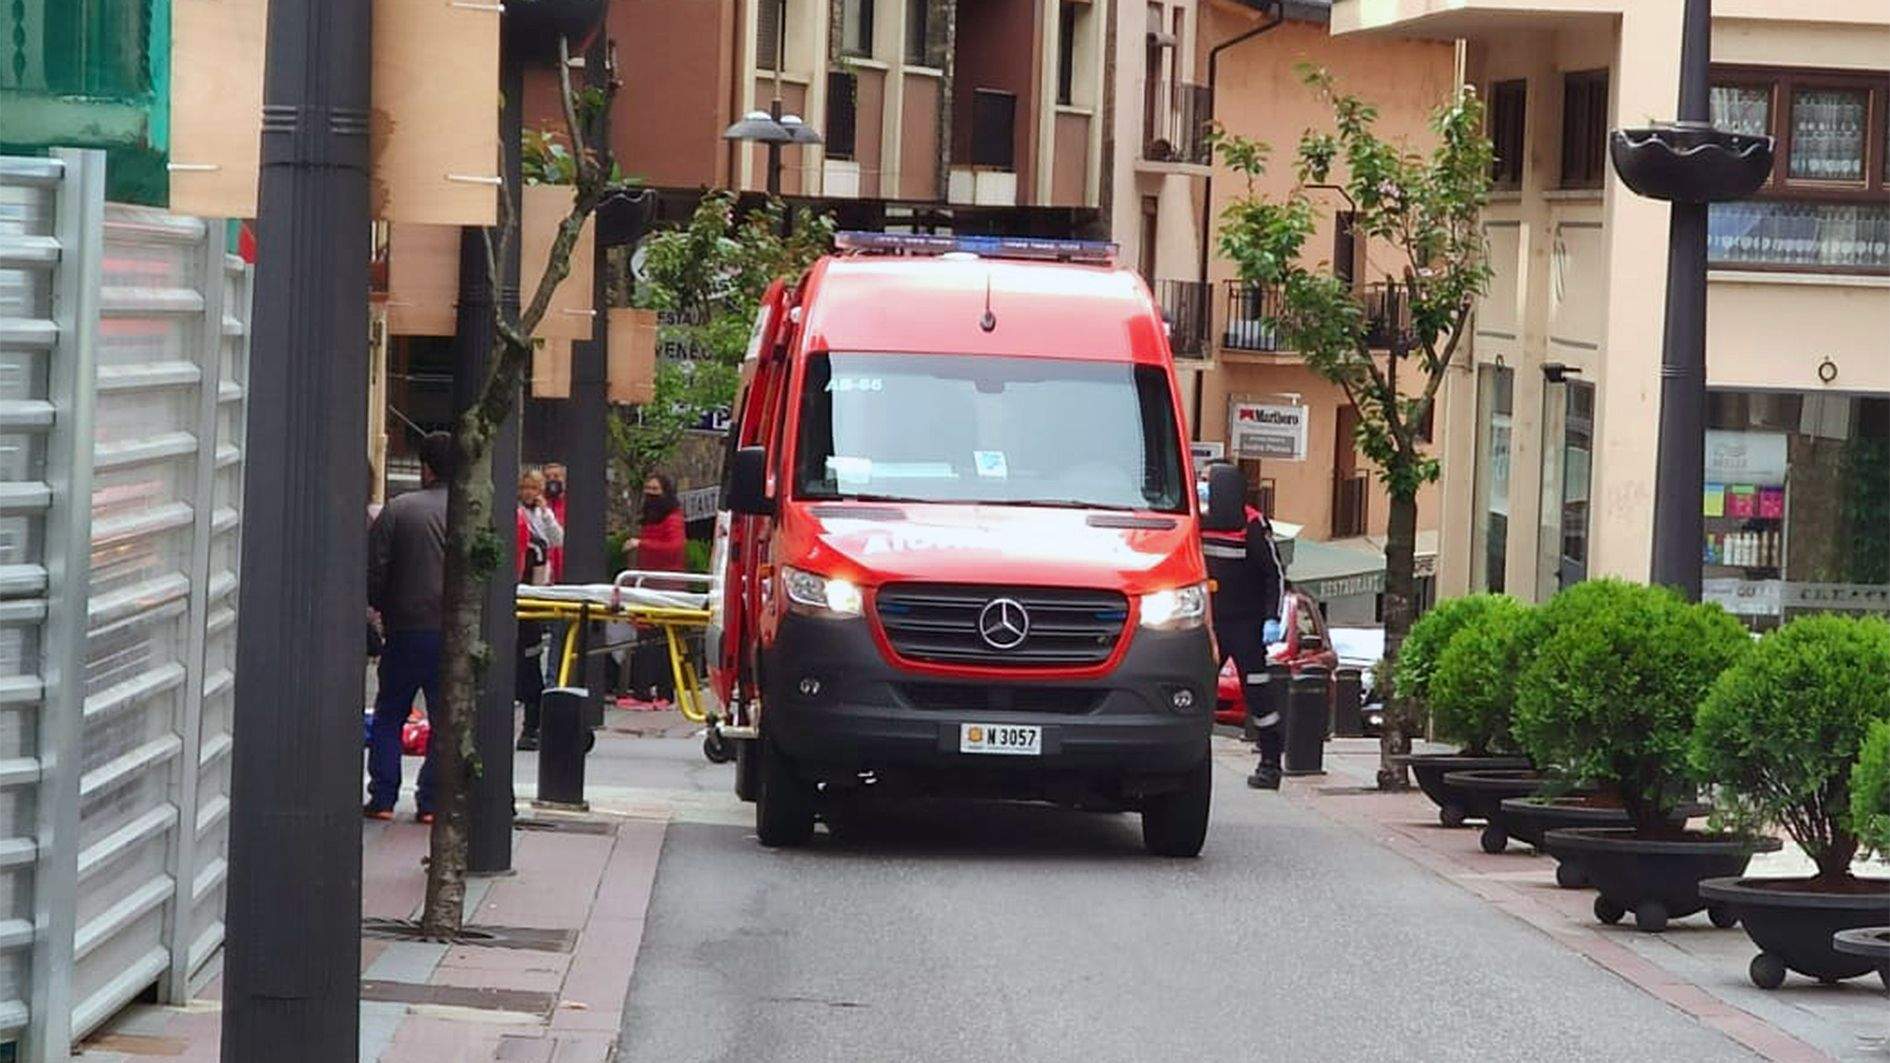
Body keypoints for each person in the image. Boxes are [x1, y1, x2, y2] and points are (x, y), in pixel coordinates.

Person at [365, 432, 453, 823]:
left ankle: (383, 797)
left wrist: (382, 605)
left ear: (426, 467)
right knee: (444, 717)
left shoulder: (400, 510)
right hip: (450, 631)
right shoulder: (471, 509)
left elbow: (375, 568)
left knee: (390, 712)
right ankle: (431, 801)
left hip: (405, 627)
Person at [1200, 463, 1287, 790]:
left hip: (1247, 627)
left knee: (1258, 694)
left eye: (1208, 482)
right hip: (1210, 623)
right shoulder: (1199, 521)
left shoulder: (1251, 524)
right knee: (1198, 690)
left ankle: (1270, 763)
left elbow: (1274, 574)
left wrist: (1272, 617)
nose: (1203, 488)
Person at [624, 474, 686, 705]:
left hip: (665, 586)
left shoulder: (672, 518)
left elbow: (674, 547)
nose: (650, 494)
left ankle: (664, 691)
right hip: (648, 584)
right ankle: (643, 690)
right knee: (646, 637)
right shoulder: (650, 518)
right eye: (648, 488)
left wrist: (642, 544)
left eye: (655, 489)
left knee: (661, 639)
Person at [515, 469, 564, 750]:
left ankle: (532, 724)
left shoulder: (541, 515)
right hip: (524, 588)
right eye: (526, 487)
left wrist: (546, 514)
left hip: (537, 589)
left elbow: (556, 539)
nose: (529, 493)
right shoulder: (516, 513)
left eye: (535, 488)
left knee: (531, 658)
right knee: (525, 659)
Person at [542, 462, 568, 582]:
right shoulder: (539, 505)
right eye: (548, 477)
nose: (552, 480)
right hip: (546, 564)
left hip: (566, 564)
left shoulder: (570, 504)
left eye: (556, 476)